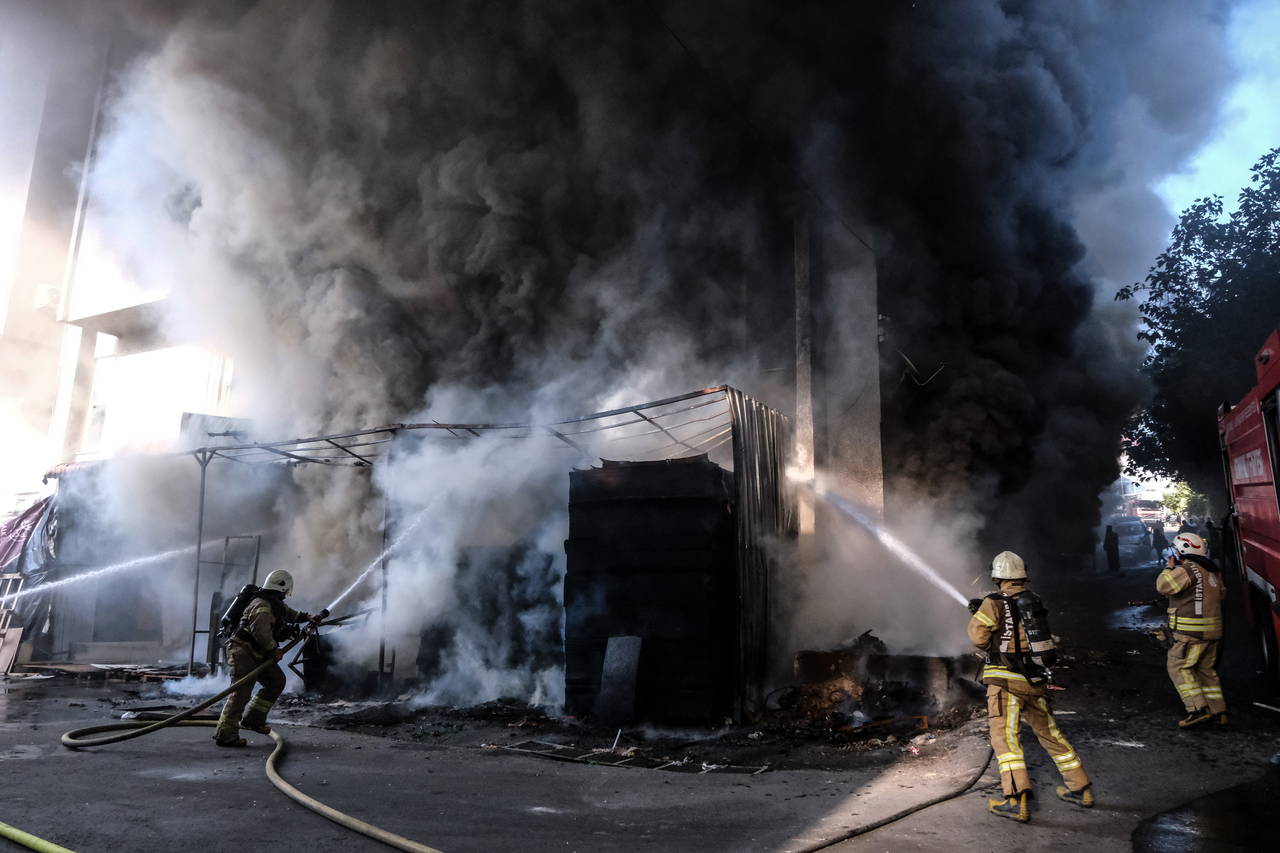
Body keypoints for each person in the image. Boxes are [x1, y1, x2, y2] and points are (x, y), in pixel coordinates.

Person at [968, 551, 1094, 822]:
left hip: (1005, 682)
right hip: (1035, 679)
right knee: (1050, 733)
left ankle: (1015, 799)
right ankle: (1080, 787)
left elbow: (978, 638)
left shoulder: (993, 602)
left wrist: (982, 615)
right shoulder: (1032, 600)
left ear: (997, 577)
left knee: (1005, 739)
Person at [213, 569, 316, 747]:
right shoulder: (263, 605)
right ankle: (225, 734)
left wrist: (308, 617)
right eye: (286, 590)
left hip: (258, 653)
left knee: (276, 681)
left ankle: (253, 719)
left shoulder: (274, 603)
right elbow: (260, 632)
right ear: (283, 587)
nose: (286, 593)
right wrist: (274, 650)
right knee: (240, 693)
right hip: (243, 652)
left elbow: (290, 614)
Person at [1157, 532, 1227, 727]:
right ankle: (1219, 711)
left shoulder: (1187, 569)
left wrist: (1168, 568)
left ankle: (1197, 709)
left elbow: (1164, 586)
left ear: (1182, 551)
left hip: (1191, 634)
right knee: (1205, 669)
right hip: (1212, 632)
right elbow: (1221, 595)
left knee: (1178, 666)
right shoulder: (1213, 571)